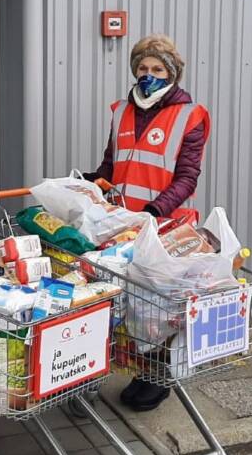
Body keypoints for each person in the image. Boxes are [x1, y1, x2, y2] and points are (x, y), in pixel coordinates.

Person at [86, 33, 211, 412]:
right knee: (128, 302)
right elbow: (111, 164)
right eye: (142, 67)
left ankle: (158, 377)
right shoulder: (122, 111)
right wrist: (89, 182)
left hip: (163, 224)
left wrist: (155, 210)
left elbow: (188, 176)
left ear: (172, 72)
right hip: (122, 224)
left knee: (158, 310)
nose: (148, 74)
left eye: (157, 69)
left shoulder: (191, 116)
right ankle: (137, 368)